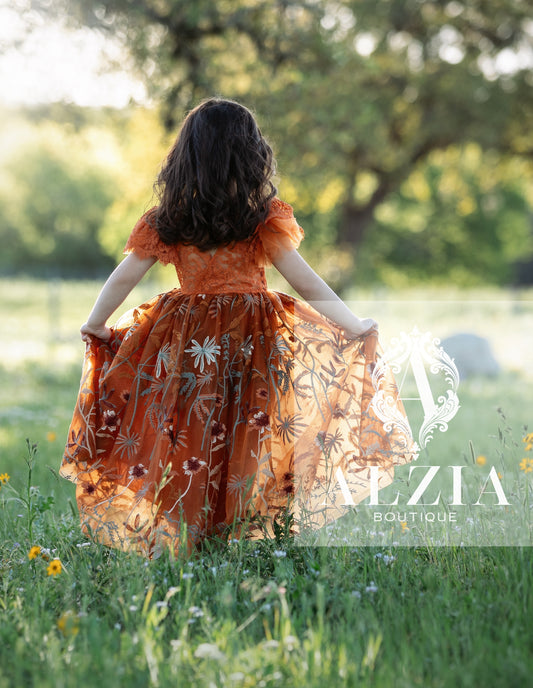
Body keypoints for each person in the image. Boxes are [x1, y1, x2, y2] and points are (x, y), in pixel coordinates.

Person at [60, 97, 416, 558]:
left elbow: (125, 275)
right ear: (252, 157)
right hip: (253, 342)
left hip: (188, 345)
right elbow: (305, 281)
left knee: (187, 435)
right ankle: (232, 537)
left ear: (184, 159)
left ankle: (189, 539)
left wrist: (97, 323)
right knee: (247, 436)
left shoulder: (169, 219)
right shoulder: (260, 218)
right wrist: (353, 324)